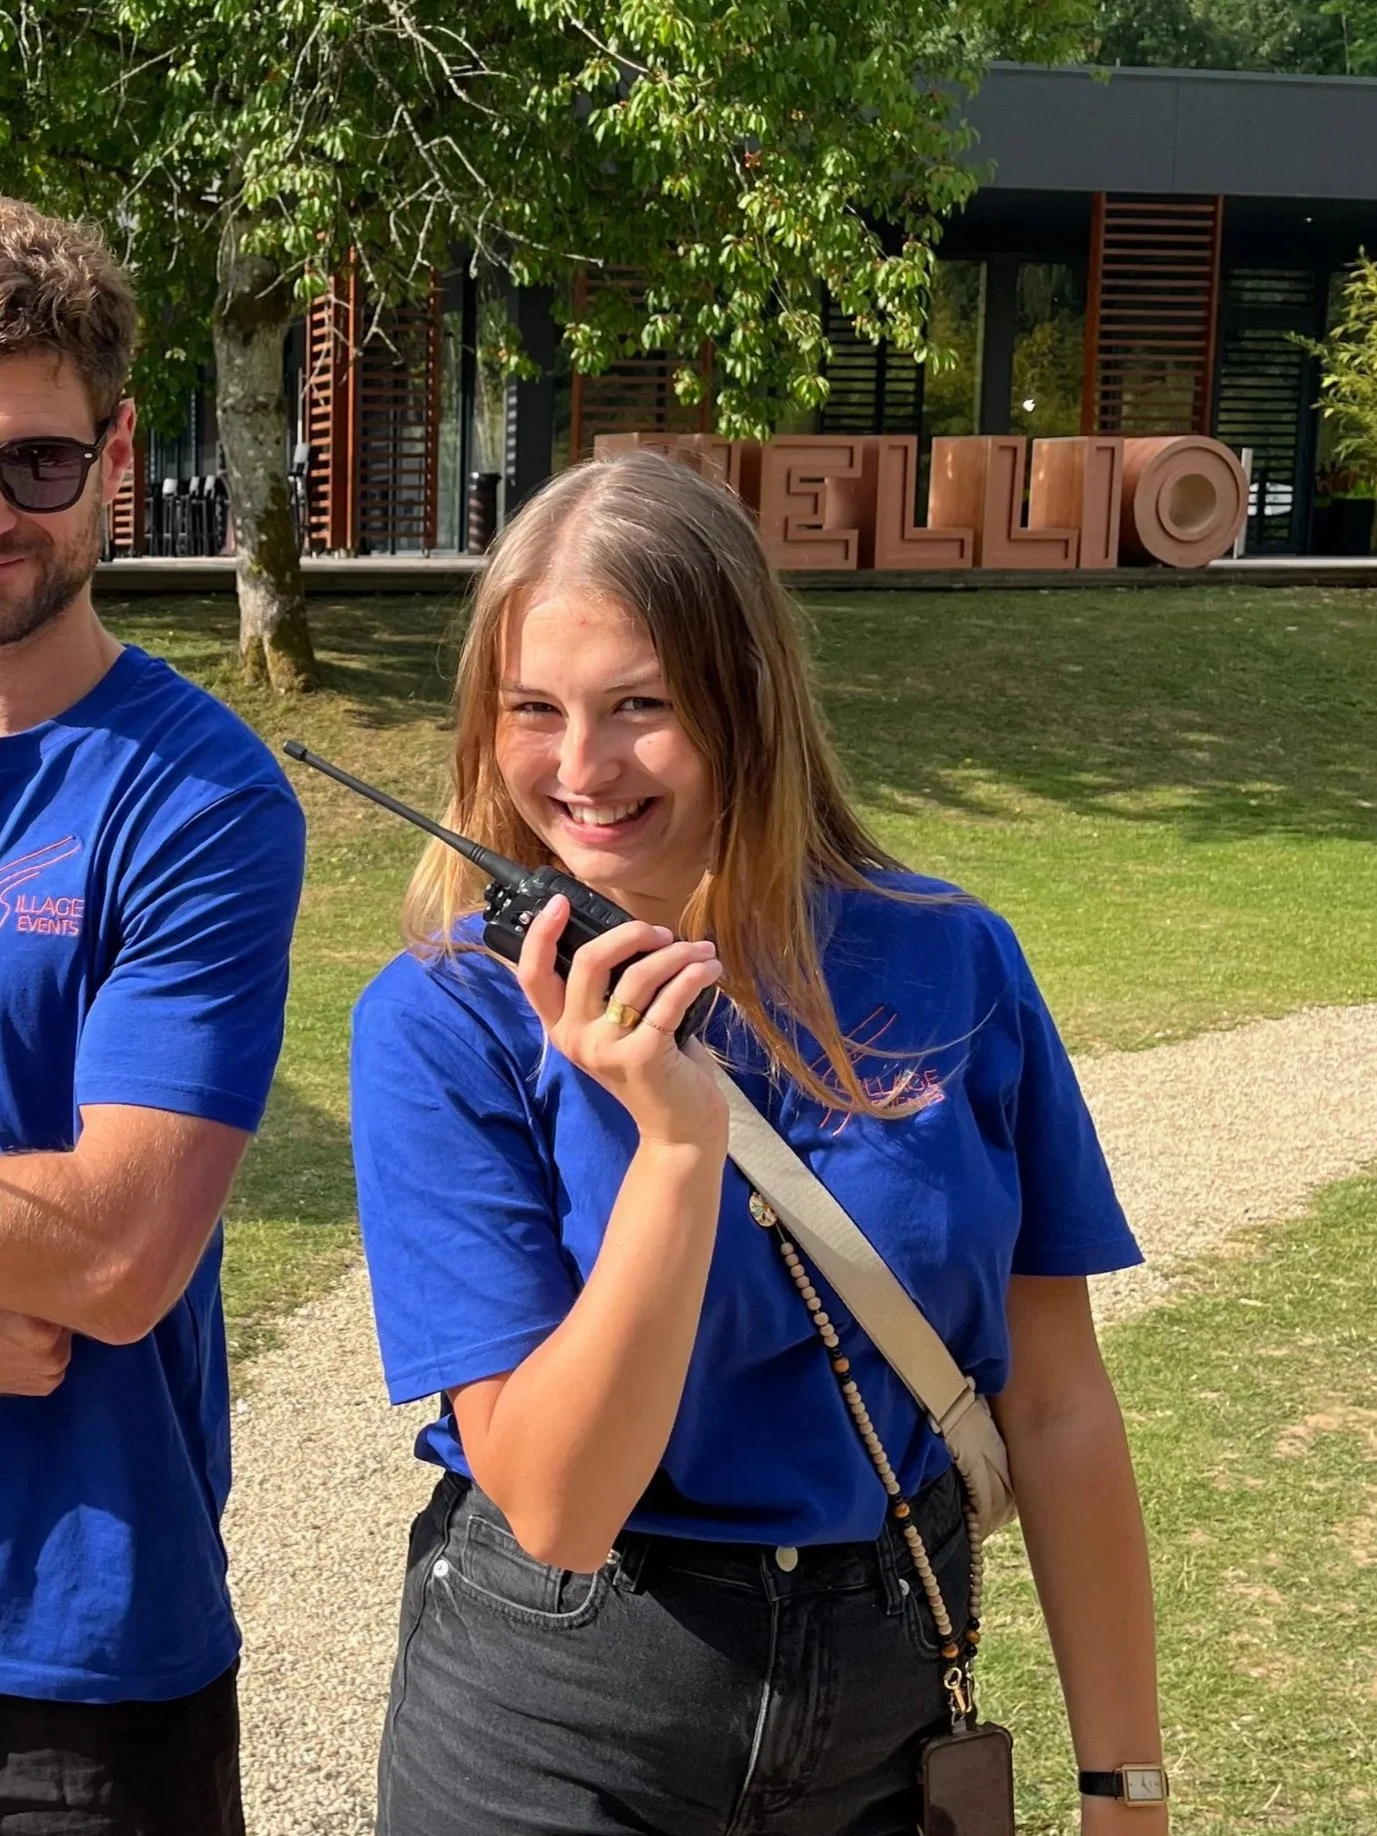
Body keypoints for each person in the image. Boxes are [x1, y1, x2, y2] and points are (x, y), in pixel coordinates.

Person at [351, 451, 1168, 1836]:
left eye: (641, 709)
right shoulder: (442, 1023)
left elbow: (1057, 1403)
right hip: (560, 1704)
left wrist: (1126, 1793)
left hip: (891, 1683)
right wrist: (675, 1149)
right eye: (532, 711)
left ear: (748, 706)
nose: (583, 767)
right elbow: (558, 1503)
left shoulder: (952, 961)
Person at [0, 198, 305, 1834]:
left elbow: (117, 1257)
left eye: (34, 463)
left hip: (76, 1666)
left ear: (114, 449)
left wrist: (58, 1252)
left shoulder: (199, 798)